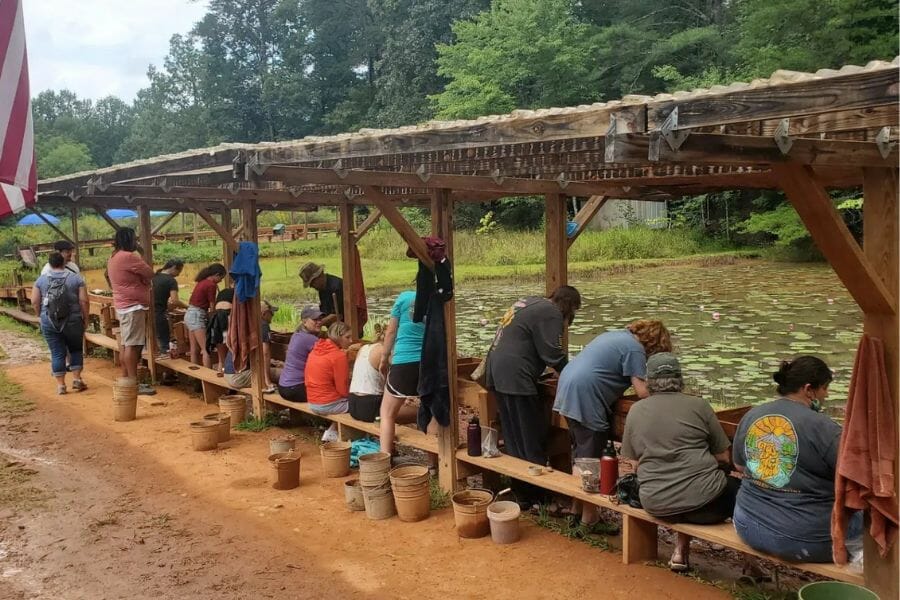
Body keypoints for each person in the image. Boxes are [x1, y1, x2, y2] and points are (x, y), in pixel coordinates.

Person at [732, 356, 863, 564]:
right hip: (802, 540)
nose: (827, 394)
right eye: (825, 388)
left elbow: (739, 465)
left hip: (747, 524)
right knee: (872, 518)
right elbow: (855, 479)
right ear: (809, 389)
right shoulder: (824, 427)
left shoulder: (752, 415)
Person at [621, 352, 737, 572]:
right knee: (739, 489)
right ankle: (750, 564)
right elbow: (724, 456)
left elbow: (633, 462)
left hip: (657, 504)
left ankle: (681, 550)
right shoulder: (699, 405)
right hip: (708, 508)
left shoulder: (636, 410)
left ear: (649, 381)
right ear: (680, 378)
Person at [554, 318, 671, 526]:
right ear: (654, 344)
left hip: (567, 388)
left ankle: (576, 509)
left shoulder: (615, 335)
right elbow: (642, 391)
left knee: (581, 452)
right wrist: (669, 388)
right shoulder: (635, 349)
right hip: (585, 394)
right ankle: (589, 518)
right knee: (591, 457)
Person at [484, 285, 581, 507]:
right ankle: (537, 494)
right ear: (569, 306)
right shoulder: (552, 313)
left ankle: (522, 492)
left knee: (513, 436)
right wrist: (574, 376)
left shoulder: (532, 302)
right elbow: (553, 355)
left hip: (499, 372)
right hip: (516, 375)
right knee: (530, 437)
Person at [32, 252, 89, 394]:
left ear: (49, 264)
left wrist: (40, 315)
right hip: (73, 320)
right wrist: (85, 318)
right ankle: (77, 380)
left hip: (49, 320)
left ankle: (61, 386)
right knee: (75, 349)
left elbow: (34, 301)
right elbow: (84, 301)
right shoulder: (76, 279)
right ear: (64, 263)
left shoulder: (41, 280)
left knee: (57, 353)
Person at [107, 228, 155, 395]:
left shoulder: (114, 256)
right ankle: (134, 382)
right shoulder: (128, 257)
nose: (136, 242)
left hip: (125, 305)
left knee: (128, 344)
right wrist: (141, 253)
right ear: (130, 240)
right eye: (135, 239)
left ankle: (128, 379)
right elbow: (149, 272)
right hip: (133, 307)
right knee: (133, 346)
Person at [378, 290, 427, 454]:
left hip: (404, 362)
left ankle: (385, 459)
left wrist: (384, 358)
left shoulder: (404, 298)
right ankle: (435, 464)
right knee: (431, 411)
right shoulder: (437, 299)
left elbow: (391, 331)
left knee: (387, 413)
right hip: (428, 363)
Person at [304, 321, 353, 441]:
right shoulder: (339, 356)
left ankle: (331, 431)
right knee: (362, 406)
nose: (351, 341)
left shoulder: (316, 349)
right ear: (338, 337)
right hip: (327, 405)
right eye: (347, 337)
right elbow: (342, 390)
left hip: (312, 401)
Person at [223, 299, 278, 393]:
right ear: (264, 314)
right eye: (271, 313)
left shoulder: (248, 323)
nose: (273, 315)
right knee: (278, 373)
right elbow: (265, 354)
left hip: (229, 373)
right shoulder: (263, 325)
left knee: (272, 367)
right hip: (238, 377)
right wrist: (267, 380)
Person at [276, 305, 324, 402]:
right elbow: (330, 358)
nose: (319, 322)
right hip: (295, 389)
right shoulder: (309, 339)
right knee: (331, 392)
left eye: (320, 319)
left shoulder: (297, 334)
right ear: (304, 321)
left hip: (283, 386)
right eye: (315, 319)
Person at [184, 263, 226, 368]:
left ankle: (194, 378)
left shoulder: (202, 282)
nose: (220, 281)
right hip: (197, 315)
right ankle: (208, 375)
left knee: (194, 349)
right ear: (216, 275)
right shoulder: (211, 285)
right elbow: (212, 306)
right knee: (205, 349)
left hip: (190, 313)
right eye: (221, 278)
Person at [348, 325, 386, 422]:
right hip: (370, 406)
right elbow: (390, 383)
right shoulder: (383, 351)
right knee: (416, 411)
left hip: (353, 403)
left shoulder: (363, 348)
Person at [151, 259, 186, 357]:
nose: (178, 274)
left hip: (148, 313)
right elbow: (175, 301)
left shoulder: (154, 276)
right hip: (160, 314)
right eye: (179, 271)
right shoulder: (171, 280)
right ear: (174, 268)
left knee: (151, 341)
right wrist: (187, 306)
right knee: (164, 344)